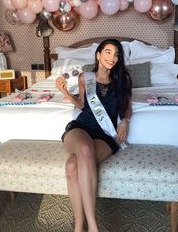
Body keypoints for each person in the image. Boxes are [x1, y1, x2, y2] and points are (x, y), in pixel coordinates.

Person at [56, 39, 132, 232]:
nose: (112, 58)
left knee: (72, 166)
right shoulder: (85, 78)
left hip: (105, 134)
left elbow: (128, 108)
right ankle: (93, 226)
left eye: (116, 54)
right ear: (98, 55)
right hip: (82, 127)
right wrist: (65, 92)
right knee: (84, 148)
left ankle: (79, 227)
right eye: (107, 52)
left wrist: (125, 121)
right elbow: (83, 105)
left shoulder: (123, 80)